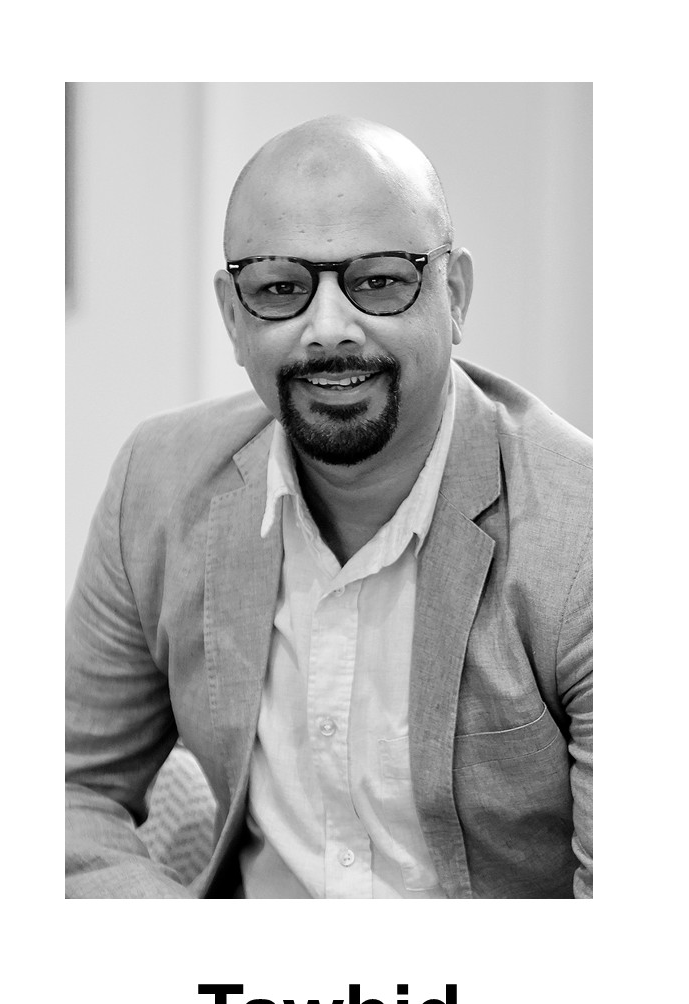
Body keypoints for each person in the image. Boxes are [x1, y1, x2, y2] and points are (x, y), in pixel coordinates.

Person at [65, 115, 592, 899]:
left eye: (378, 281)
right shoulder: (160, 483)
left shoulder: (589, 534)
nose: (330, 329)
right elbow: (70, 788)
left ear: (454, 295)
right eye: (281, 287)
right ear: (234, 315)